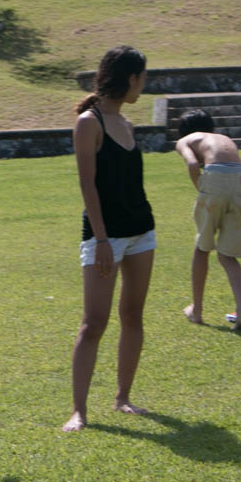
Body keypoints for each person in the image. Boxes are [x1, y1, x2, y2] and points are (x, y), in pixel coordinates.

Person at [62, 46, 154, 433]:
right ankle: (79, 411)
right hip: (105, 237)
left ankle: (122, 398)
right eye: (142, 79)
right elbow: (87, 184)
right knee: (93, 323)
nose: (143, 87)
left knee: (132, 315)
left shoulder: (128, 123)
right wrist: (101, 240)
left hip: (142, 232)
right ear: (130, 78)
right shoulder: (90, 122)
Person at [175, 109, 241, 329]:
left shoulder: (185, 140)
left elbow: (193, 165)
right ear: (213, 129)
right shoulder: (224, 140)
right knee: (228, 256)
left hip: (215, 179)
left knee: (202, 248)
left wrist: (203, 190)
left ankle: (196, 310)